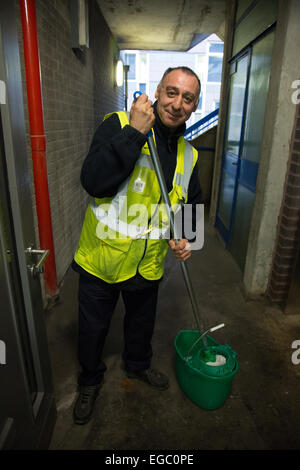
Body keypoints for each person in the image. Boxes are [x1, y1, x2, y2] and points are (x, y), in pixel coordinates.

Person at [72, 66, 202, 425]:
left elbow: (191, 203)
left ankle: (138, 366)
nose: (177, 104)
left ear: (194, 106)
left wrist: (188, 240)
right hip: (103, 258)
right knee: (93, 329)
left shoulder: (189, 155)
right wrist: (133, 133)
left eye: (187, 98)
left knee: (141, 325)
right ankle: (90, 380)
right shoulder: (118, 124)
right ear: (158, 92)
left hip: (148, 263)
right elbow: (93, 181)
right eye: (171, 92)